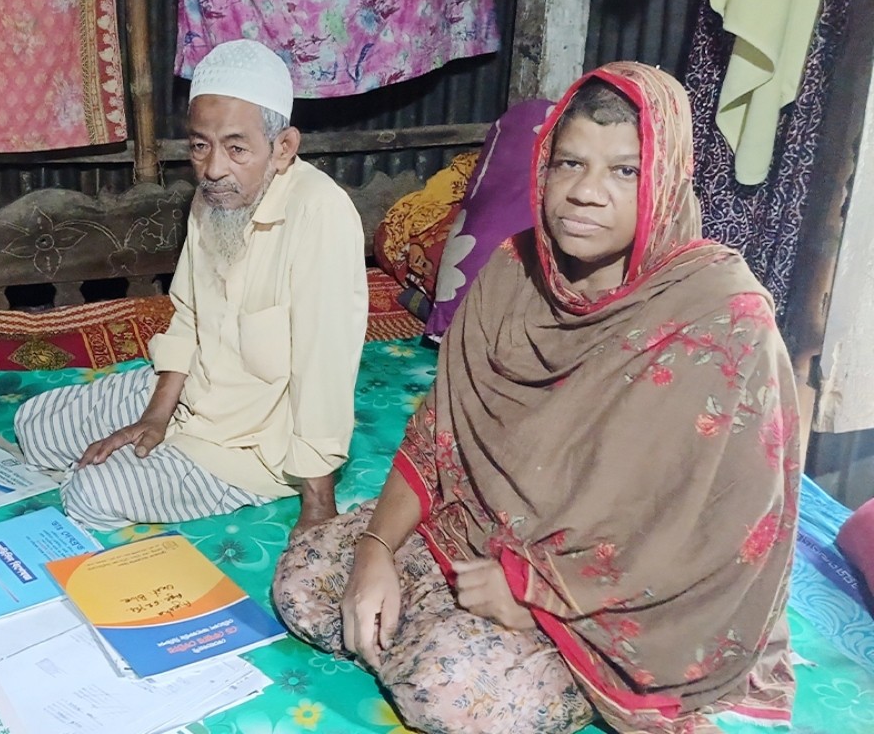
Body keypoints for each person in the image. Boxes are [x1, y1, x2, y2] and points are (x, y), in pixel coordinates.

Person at [273, 62, 799, 734]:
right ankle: (427, 624)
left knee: (455, 691)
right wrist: (376, 550)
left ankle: (488, 648)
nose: (585, 193)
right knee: (303, 579)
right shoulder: (510, 272)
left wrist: (539, 599)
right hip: (476, 540)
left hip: (614, 601)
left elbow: (719, 538)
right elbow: (440, 439)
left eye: (625, 171)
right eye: (570, 162)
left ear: (666, 180)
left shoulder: (721, 320)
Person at [15, 39, 368, 537]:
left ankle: (119, 481)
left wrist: (317, 507)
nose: (214, 167)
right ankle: (125, 450)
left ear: (283, 148)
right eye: (200, 146)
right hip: (189, 397)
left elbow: (323, 367)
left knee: (90, 493)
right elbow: (189, 315)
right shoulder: (217, 195)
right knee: (35, 423)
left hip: (247, 446)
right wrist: (155, 417)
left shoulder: (321, 216)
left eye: (236, 147)